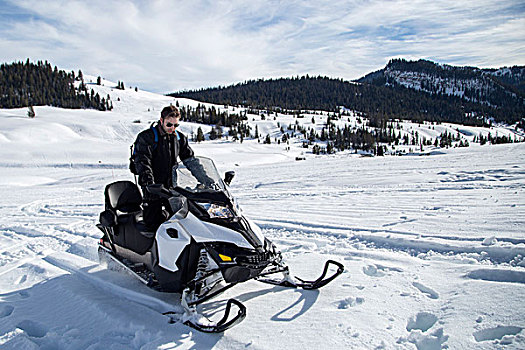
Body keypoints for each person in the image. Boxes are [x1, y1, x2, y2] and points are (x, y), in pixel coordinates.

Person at [132, 105, 196, 231]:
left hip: (172, 188)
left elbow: (191, 161)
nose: (172, 128)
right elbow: (143, 162)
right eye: (169, 125)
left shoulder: (179, 138)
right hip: (153, 189)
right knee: (154, 225)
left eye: (176, 125)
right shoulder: (147, 137)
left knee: (183, 223)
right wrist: (150, 184)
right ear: (161, 121)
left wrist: (207, 180)